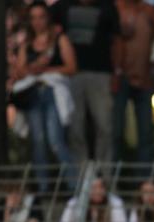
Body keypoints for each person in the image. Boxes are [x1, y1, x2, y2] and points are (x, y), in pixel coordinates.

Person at [14, 1, 78, 193]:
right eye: (33, 18)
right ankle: (43, 188)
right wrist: (32, 69)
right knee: (38, 141)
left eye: (41, 17)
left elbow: (71, 67)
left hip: (52, 92)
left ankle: (72, 185)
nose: (37, 22)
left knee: (55, 140)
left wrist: (46, 68)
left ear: (47, 18)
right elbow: (20, 71)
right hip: (33, 94)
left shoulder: (59, 39)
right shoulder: (27, 44)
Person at [50, 0, 120, 164]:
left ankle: (105, 178)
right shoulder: (61, 7)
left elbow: (117, 41)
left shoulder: (107, 6)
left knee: (105, 126)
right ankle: (81, 181)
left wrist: (117, 72)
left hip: (101, 73)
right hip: (70, 76)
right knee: (75, 129)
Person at [114, 0, 154, 162]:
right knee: (116, 131)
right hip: (120, 78)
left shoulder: (149, 11)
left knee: (146, 132)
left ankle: (145, 178)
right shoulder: (114, 9)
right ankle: (114, 175)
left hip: (144, 78)